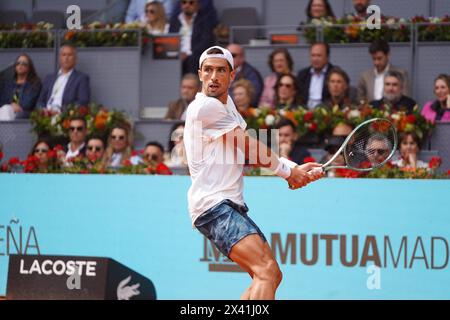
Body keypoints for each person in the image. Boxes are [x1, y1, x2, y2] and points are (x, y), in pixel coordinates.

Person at [183, 46, 323, 300]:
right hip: (214, 206)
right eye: (208, 70)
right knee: (266, 272)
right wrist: (287, 173)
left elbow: (245, 148)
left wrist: (292, 168)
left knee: (271, 275)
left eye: (221, 70)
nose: (214, 76)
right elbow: (246, 145)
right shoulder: (205, 107)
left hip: (226, 204)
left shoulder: (227, 106)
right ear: (200, 74)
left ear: (232, 75)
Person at [37, 44, 90, 111]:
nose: (66, 58)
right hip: (46, 115)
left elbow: (83, 101)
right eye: (64, 55)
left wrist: (61, 111)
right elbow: (40, 101)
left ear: (75, 60)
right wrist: (43, 110)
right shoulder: (49, 78)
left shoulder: (81, 78)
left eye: (69, 55)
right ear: (59, 58)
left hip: (65, 116)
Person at [169, 0, 217, 74]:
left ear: (198, 5)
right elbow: (170, 39)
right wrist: (178, 53)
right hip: (177, 54)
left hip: (195, 54)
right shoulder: (175, 20)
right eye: (184, 2)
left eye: (191, 2)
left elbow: (206, 41)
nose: (187, 5)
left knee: (193, 60)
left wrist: (188, 53)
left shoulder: (205, 19)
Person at [0, 54, 42, 120]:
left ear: (29, 67)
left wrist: (15, 106)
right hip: (7, 111)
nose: (20, 65)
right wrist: (12, 105)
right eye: (18, 63)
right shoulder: (8, 84)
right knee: (6, 109)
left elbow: (28, 104)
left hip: (23, 114)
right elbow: (2, 101)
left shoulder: (34, 84)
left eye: (24, 63)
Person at [297, 42, 336, 109]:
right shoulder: (303, 74)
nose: (315, 59)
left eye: (319, 56)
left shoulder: (334, 73)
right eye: (313, 55)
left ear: (327, 57)